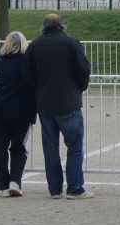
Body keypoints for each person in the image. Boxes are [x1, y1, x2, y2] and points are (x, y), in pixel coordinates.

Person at [23, 14, 93, 200]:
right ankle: (75, 188)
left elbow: (27, 73)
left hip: (45, 103)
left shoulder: (34, 45)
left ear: (44, 26)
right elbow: (84, 69)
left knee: (51, 148)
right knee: (75, 147)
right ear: (61, 25)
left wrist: (39, 88)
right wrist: (79, 88)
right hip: (68, 101)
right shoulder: (71, 43)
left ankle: (55, 189)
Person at [0, 32, 37, 197]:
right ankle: (15, 181)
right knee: (18, 147)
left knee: (0, 149)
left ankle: (2, 185)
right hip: (21, 109)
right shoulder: (27, 61)